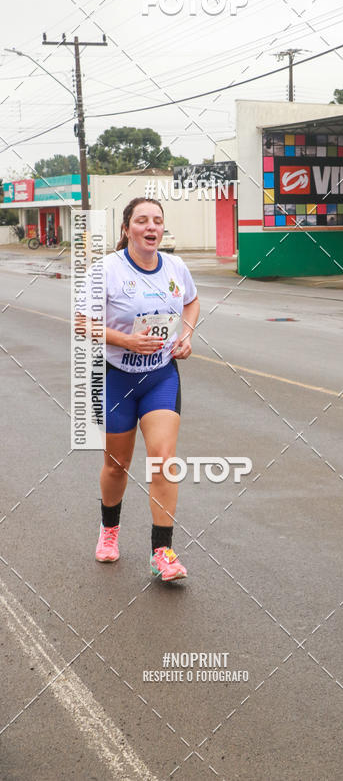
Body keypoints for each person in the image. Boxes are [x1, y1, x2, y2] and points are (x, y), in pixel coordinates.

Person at [76, 197, 200, 581]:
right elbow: (82, 323)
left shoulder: (176, 267)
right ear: (127, 229)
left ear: (162, 229)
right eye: (142, 220)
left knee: (163, 459)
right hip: (117, 377)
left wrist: (188, 334)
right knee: (117, 465)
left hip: (161, 375)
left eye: (157, 221)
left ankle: (162, 552)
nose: (151, 227)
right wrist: (125, 341)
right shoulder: (107, 271)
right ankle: (109, 530)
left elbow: (192, 303)